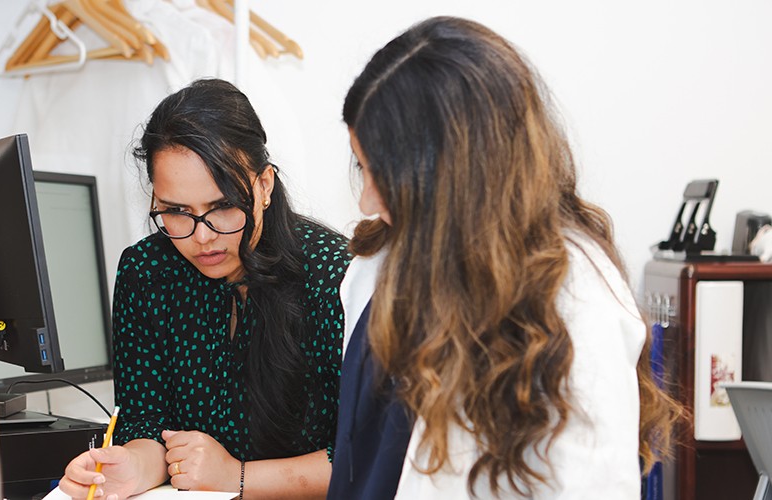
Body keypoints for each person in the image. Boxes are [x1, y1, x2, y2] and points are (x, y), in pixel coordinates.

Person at [328, 16, 680, 499]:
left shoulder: (572, 300)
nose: (367, 201)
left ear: (455, 174)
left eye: (383, 174)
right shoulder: (379, 259)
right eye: (360, 166)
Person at [58, 79, 350, 500]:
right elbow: (145, 421)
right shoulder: (147, 272)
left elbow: (366, 454)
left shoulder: (330, 274)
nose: (202, 237)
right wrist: (131, 466)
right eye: (177, 212)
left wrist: (239, 476)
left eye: (223, 206)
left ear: (264, 185)